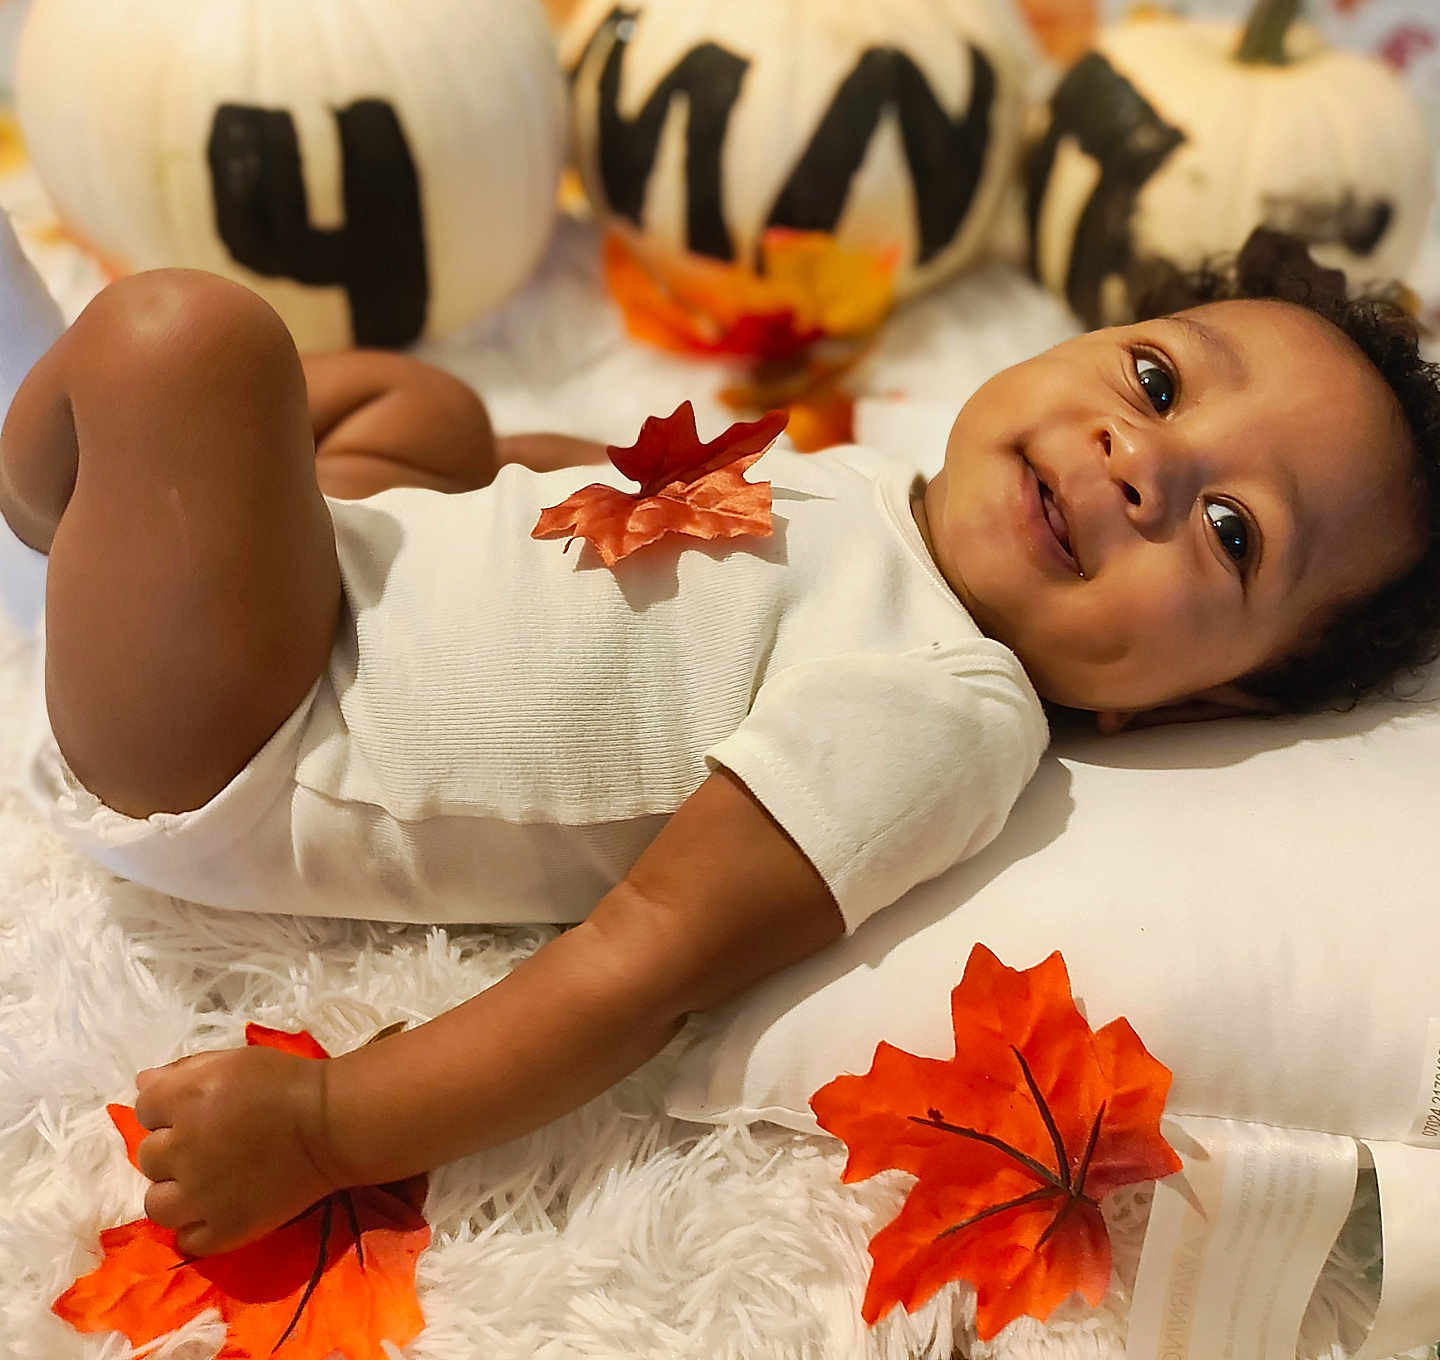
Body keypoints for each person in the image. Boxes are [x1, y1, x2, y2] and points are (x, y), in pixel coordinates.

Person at [2, 224, 1437, 1259]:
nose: (1146, 462)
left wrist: (328, 1126)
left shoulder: (940, 706)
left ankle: (44, 501)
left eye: (1231, 531)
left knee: (182, 341)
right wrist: (495, 472)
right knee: (429, 412)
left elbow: (641, 963)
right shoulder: (883, 486)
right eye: (1159, 382)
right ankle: (139, 513)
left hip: (252, 738)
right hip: (346, 575)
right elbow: (627, 498)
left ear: (1191, 704)